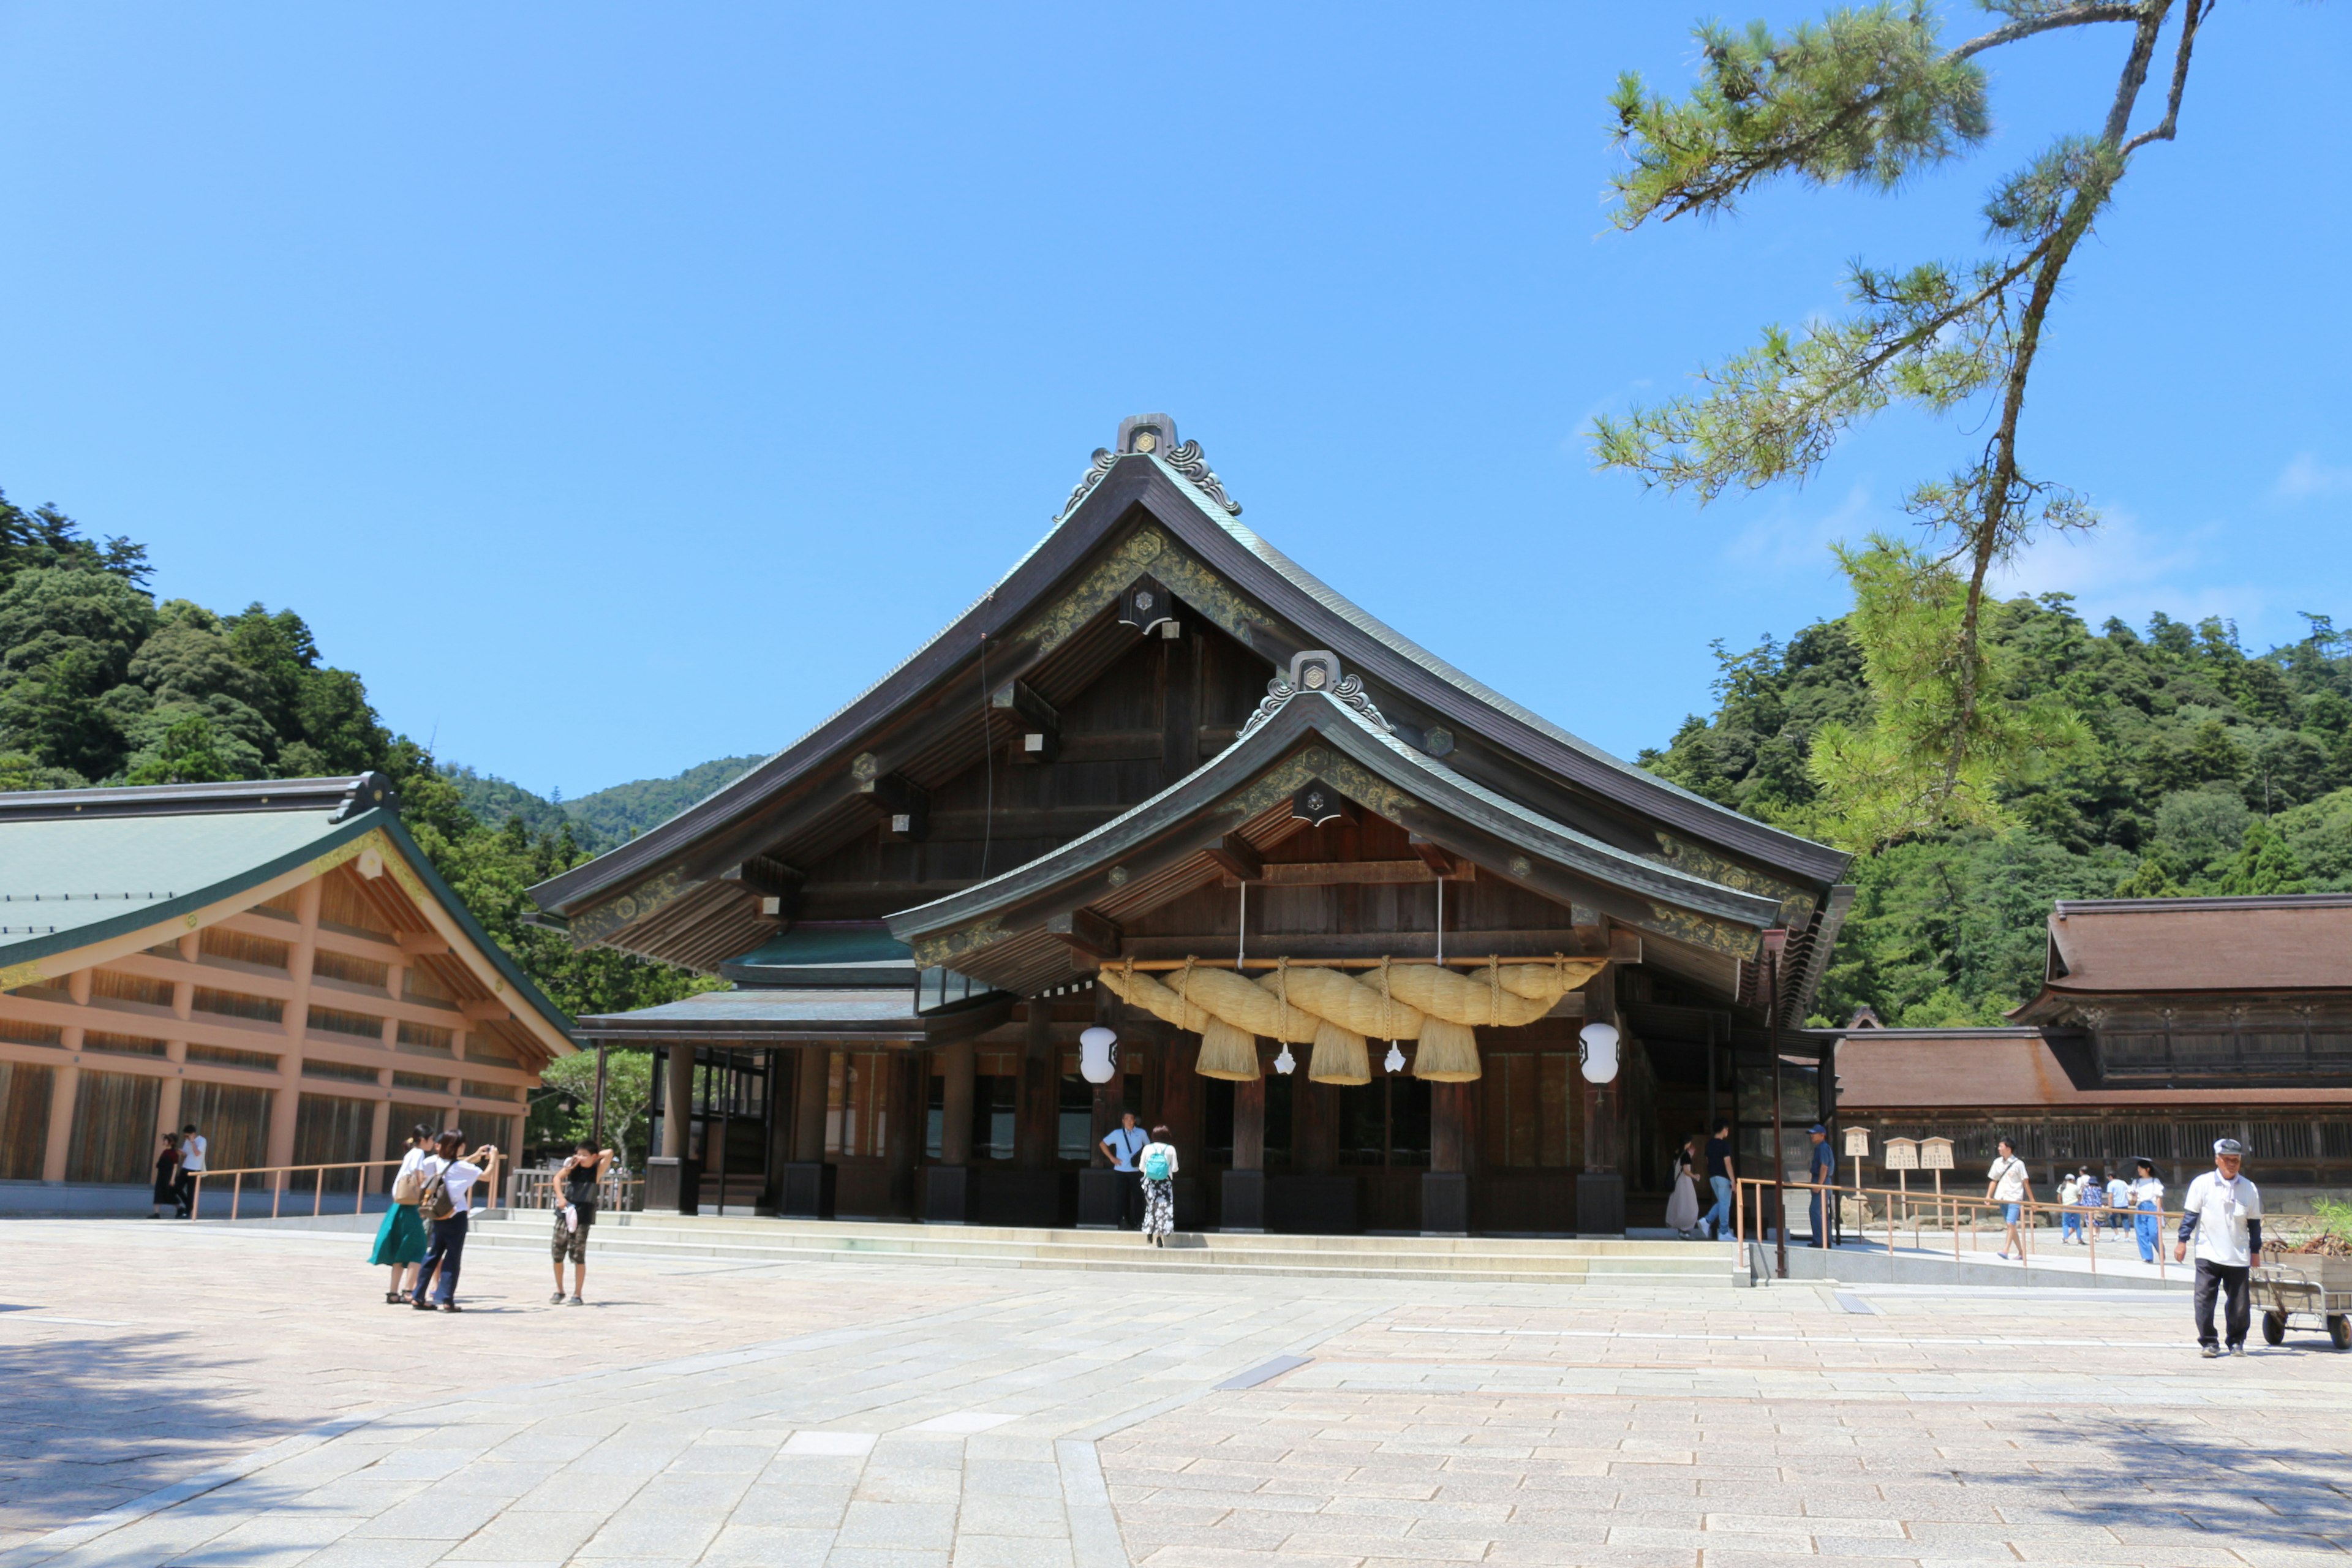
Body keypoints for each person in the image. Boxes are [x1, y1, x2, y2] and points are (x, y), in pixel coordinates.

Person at [2174, 1137, 2263, 1358]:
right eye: (2227, 1159)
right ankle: (2209, 1342)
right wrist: (2182, 1241)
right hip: (2208, 1252)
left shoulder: (2249, 1188)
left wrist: (2255, 1251)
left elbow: (2254, 1223)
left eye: (2236, 1160)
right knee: (2203, 1299)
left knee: (2240, 1305)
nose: (2232, 1164)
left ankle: (2236, 1342)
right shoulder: (2202, 1184)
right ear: (2217, 1160)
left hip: (2238, 1254)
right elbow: (2191, 1216)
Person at [411, 1131, 497, 1313]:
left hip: (438, 1214)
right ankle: (447, 1300)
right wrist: (493, 1159)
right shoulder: (460, 1167)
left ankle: (418, 1295)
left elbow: (458, 1166)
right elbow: (486, 1176)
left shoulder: (434, 1162)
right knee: (452, 1258)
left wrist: (476, 1155)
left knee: (433, 1254)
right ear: (457, 1146)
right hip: (455, 1216)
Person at [370, 1125, 434, 1304]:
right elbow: (420, 1177)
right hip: (410, 1206)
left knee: (400, 1248)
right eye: (432, 1139)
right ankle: (408, 1290)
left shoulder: (410, 1153)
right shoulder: (419, 1153)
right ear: (423, 1140)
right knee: (419, 1247)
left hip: (397, 1206)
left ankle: (393, 1292)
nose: (433, 1142)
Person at [551, 1140, 615, 1305]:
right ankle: (559, 1290)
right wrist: (560, 1197)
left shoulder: (596, 1170)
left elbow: (609, 1153)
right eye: (578, 1154)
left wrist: (592, 1157)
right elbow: (557, 1178)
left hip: (583, 1217)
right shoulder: (572, 1168)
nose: (580, 1157)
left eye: (584, 1155)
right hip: (565, 1213)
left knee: (578, 1256)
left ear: (593, 1157)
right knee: (557, 1253)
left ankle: (577, 1294)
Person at [1099, 1110, 1148, 1231]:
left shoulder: (1141, 1133)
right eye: (1127, 1119)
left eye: (1132, 1119)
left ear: (1135, 1121)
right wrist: (1112, 1158)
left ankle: (1139, 1221)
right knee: (1122, 1196)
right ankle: (1124, 1221)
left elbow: (1149, 1147)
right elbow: (1102, 1144)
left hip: (1137, 1170)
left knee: (1139, 1196)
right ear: (1123, 1121)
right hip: (1120, 1170)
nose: (1130, 1121)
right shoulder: (1117, 1133)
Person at [1985, 1137, 2032, 1260]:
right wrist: (1989, 1196)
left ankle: (2006, 1250)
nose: (1999, 1148)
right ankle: (2021, 1252)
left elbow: (2026, 1182)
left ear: (2008, 1148)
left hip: (2014, 1197)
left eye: (2001, 1146)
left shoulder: (2018, 1164)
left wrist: (2032, 1201)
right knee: (2011, 1225)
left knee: (2011, 1223)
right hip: (2002, 1197)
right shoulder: (1997, 1162)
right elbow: (1994, 1180)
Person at [1137, 1125, 1178, 1246]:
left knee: (1151, 1207)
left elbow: (1141, 1167)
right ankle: (1160, 1234)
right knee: (1163, 1208)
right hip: (1165, 1183)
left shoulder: (1147, 1148)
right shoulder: (1171, 1149)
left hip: (1150, 1182)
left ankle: (1149, 1230)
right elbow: (1175, 1168)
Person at [1703, 1120, 1736, 1240]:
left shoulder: (1709, 1144)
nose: (1728, 1131)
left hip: (1713, 1177)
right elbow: (1728, 1163)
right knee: (1725, 1204)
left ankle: (1706, 1221)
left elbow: (1708, 1161)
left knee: (1723, 1202)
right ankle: (1723, 1231)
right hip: (1723, 1178)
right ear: (1723, 1130)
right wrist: (1733, 1181)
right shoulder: (1724, 1145)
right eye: (1727, 1129)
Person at [2130, 1159, 2166, 1264]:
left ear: (2148, 1169)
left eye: (2141, 1169)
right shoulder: (2136, 1182)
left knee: (2154, 1232)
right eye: (2138, 1169)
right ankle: (2147, 1256)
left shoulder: (2155, 1181)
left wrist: (2159, 1212)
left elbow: (2159, 1197)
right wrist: (2133, 1197)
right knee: (2141, 1233)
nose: (2139, 1171)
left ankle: (2160, 1249)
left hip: (2152, 1207)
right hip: (2140, 1207)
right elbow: (2132, 1202)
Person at [1665, 1136, 1702, 1238]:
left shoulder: (1677, 1153)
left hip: (1677, 1183)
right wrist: (1695, 1176)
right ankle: (1685, 1229)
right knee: (1691, 1206)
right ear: (1688, 1142)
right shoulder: (1686, 1155)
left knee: (1678, 1204)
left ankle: (1677, 1226)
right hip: (1685, 1183)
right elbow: (1686, 1170)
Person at [1806, 1125, 1836, 1247]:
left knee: (1815, 1211)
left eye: (1815, 1133)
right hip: (1824, 1181)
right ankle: (1826, 1240)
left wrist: (1819, 1184)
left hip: (1822, 1182)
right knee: (1823, 1213)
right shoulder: (1821, 1148)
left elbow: (1824, 1167)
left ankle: (1819, 1241)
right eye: (1812, 1133)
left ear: (1822, 1135)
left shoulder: (1823, 1148)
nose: (1812, 1136)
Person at [151, 1133, 184, 1219]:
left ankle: (180, 1209)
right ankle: (156, 1213)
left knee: (169, 1194)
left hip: (169, 1176)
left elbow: (175, 1166)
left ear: (171, 1142)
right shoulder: (165, 1152)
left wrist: (172, 1179)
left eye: (166, 1140)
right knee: (158, 1192)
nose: (164, 1141)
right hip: (161, 1175)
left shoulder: (174, 1153)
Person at [177, 1121, 206, 1218]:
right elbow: (186, 1154)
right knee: (177, 1187)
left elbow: (197, 1153)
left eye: (188, 1136)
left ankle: (188, 1211)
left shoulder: (202, 1141)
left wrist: (193, 1142)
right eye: (185, 1137)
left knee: (191, 1191)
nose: (186, 1138)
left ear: (193, 1134)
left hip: (195, 1170)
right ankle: (189, 1204)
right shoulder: (187, 1141)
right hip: (186, 1167)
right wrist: (181, 1152)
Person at [2078, 1169, 2106, 1242]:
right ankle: (2097, 1237)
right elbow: (2100, 1198)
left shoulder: (2086, 1189)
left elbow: (2084, 1199)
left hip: (2088, 1207)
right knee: (2098, 1221)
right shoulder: (2099, 1189)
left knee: (2090, 1221)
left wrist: (2082, 1207)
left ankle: (2092, 1234)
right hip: (2097, 1207)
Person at [2057, 1170, 2082, 1245]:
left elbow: (2059, 1197)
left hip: (2066, 1206)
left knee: (2065, 1223)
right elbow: (2079, 1197)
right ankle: (2079, 1240)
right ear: (2072, 1180)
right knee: (2077, 1224)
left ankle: (2066, 1239)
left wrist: (2061, 1205)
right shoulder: (2076, 1187)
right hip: (2075, 1205)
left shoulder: (2062, 1187)